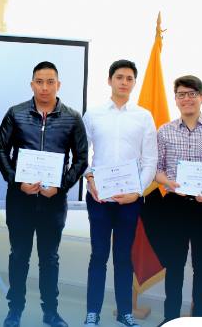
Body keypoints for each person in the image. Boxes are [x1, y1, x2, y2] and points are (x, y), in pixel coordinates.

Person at [0, 61, 88, 327]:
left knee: (50, 259)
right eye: (39, 81)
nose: (45, 87)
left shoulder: (72, 117)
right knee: (19, 256)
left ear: (58, 85)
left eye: (50, 82)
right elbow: (1, 149)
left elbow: (81, 158)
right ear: (32, 84)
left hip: (53, 202)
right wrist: (16, 181)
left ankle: (51, 312)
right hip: (20, 201)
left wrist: (62, 186)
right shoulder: (16, 113)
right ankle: (15, 311)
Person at [82, 60, 156, 327]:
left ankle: (125, 312)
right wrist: (89, 177)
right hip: (99, 199)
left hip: (129, 200)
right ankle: (93, 313)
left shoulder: (143, 116)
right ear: (110, 80)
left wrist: (136, 192)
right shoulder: (93, 115)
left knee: (124, 257)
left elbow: (150, 160)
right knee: (98, 255)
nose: (124, 82)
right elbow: (81, 154)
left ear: (134, 83)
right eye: (119, 77)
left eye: (129, 78)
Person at [154, 75, 202, 323]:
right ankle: (171, 319)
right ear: (175, 99)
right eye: (181, 94)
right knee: (174, 266)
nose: (187, 99)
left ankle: (200, 320)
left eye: (192, 93)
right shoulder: (164, 131)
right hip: (174, 206)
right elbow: (156, 169)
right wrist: (168, 182)